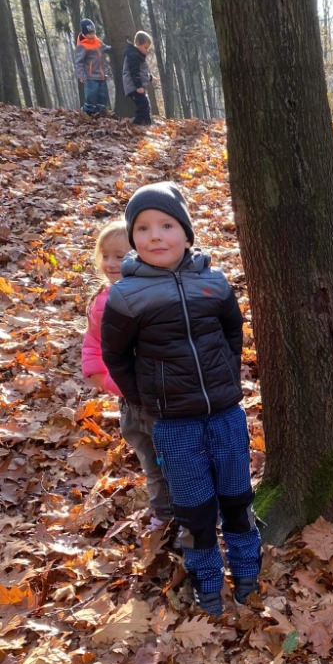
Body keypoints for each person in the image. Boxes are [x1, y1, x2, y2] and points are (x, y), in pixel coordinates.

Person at [100, 183, 262, 617]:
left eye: (167, 225)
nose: (155, 236)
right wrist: (145, 399)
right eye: (143, 228)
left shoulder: (214, 283)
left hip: (225, 414)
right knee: (194, 508)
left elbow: (232, 332)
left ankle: (247, 568)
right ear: (133, 238)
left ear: (187, 234)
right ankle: (206, 577)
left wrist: (226, 375)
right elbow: (116, 356)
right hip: (173, 423)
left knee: (237, 498)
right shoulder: (126, 297)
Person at [81, 219, 173, 530]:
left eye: (119, 256)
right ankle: (164, 514)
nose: (110, 263)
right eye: (105, 255)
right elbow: (93, 341)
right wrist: (102, 377)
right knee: (150, 461)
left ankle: (191, 514)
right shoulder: (101, 300)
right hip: (130, 403)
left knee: (175, 460)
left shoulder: (154, 294)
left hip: (161, 401)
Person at [75, 18, 111, 116]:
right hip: (91, 75)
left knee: (103, 94)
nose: (92, 35)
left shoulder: (97, 40)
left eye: (93, 33)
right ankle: (87, 111)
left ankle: (100, 111)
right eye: (89, 34)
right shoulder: (82, 45)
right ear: (84, 34)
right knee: (92, 94)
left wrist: (109, 48)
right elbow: (79, 62)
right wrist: (80, 75)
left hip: (101, 74)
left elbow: (103, 47)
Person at [122, 31, 158, 126]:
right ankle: (136, 124)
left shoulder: (138, 55)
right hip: (134, 86)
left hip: (137, 86)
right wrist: (138, 86)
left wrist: (150, 77)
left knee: (146, 105)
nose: (146, 50)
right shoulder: (133, 55)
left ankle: (148, 123)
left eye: (148, 48)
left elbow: (142, 72)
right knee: (143, 105)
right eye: (145, 47)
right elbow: (134, 72)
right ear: (138, 44)